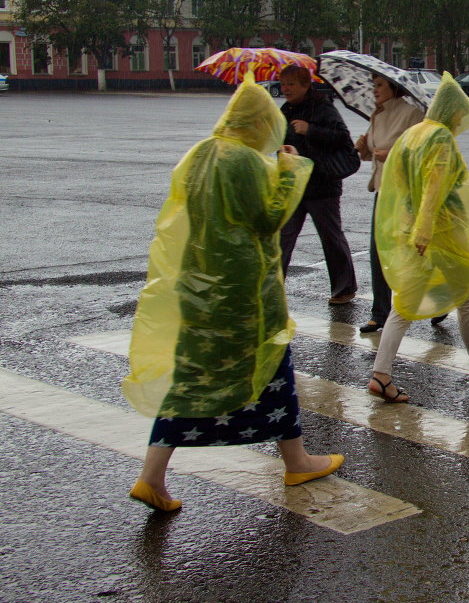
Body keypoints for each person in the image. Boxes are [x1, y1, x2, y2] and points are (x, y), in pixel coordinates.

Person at [123, 74, 343, 511]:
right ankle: (297, 461)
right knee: (271, 365)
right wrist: (289, 170)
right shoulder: (242, 161)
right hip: (242, 292)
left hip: (198, 285)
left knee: (193, 379)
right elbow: (268, 219)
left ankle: (152, 476)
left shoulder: (202, 153)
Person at [367, 72, 469, 403]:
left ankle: (381, 373)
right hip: (442, 235)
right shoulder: (441, 138)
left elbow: (399, 183)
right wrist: (427, 228)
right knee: (467, 298)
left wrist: (412, 226)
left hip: (413, 230)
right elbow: (435, 184)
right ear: (452, 113)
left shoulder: (414, 133)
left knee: (404, 304)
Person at [278, 64, 358, 303]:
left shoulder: (323, 107)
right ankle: (272, 287)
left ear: (305, 85)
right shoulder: (286, 109)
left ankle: (344, 288)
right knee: (283, 236)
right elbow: (281, 137)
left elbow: (341, 137)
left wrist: (310, 129)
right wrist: (284, 148)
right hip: (296, 183)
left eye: (291, 84)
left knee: (331, 236)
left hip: (322, 185)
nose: (286, 89)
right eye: (283, 84)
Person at [355, 74, 425, 333]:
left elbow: (421, 152)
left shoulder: (412, 114)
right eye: (373, 84)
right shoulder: (377, 114)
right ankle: (379, 312)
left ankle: (440, 302)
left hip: (406, 193)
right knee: (378, 252)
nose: (374, 90)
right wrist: (363, 148)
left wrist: (392, 154)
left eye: (379, 85)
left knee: (414, 253)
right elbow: (372, 155)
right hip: (383, 192)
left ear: (393, 87)